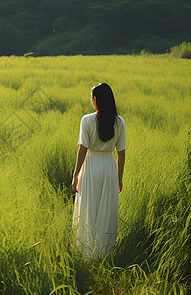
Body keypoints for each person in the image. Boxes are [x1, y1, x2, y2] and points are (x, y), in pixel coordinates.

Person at [71, 83, 126, 257]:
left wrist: (75, 175)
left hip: (91, 165)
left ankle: (86, 251)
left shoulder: (86, 120)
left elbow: (82, 150)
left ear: (96, 100)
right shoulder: (119, 122)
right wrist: (119, 178)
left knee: (88, 207)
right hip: (109, 166)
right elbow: (121, 153)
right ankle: (103, 251)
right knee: (106, 209)